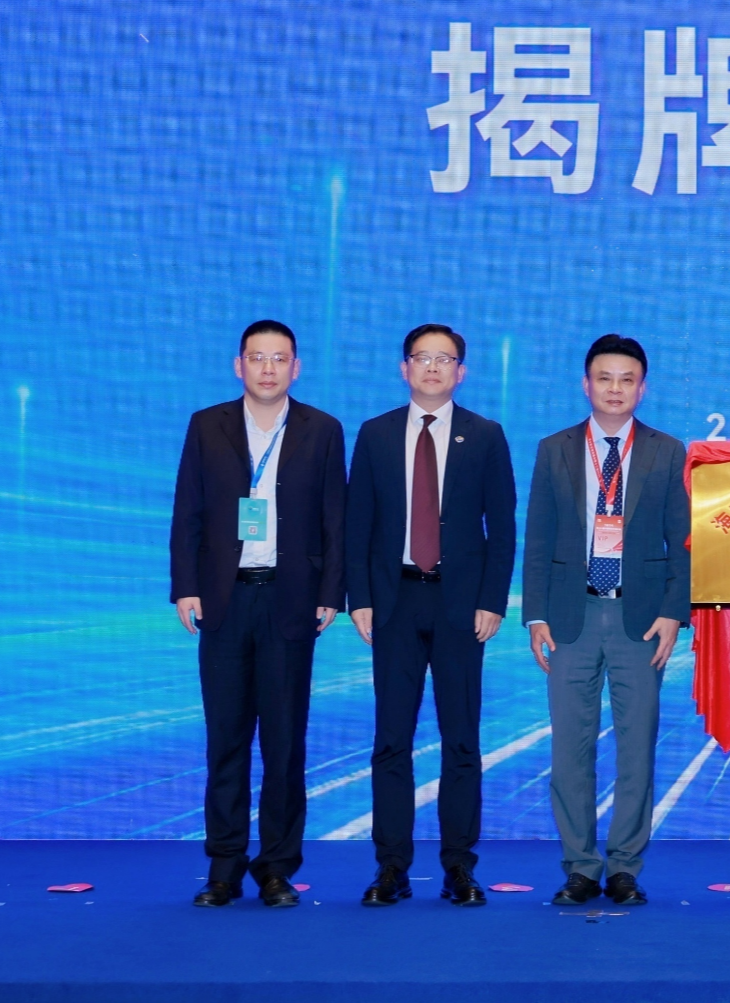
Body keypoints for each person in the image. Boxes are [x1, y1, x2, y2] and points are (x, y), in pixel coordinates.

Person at [169, 320, 346, 909]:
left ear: (297, 367)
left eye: (279, 358)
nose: (268, 368)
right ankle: (223, 866)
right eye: (257, 357)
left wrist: (332, 591)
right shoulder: (207, 425)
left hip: (291, 599)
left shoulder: (322, 429)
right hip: (224, 599)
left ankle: (276, 867)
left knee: (284, 742)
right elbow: (188, 512)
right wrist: (185, 587)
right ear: (238, 365)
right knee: (226, 739)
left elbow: (335, 518)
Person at [344, 324, 517, 908]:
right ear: (405, 368)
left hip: (460, 605)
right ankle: (390, 867)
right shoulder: (375, 433)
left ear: (461, 372)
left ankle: (459, 867)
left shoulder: (485, 435)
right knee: (391, 739)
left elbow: (502, 526)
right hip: (394, 600)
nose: (434, 368)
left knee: (460, 739)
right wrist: (360, 597)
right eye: (423, 358)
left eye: (446, 359)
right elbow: (358, 522)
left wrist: (493, 600)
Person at [523, 335, 691, 908]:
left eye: (627, 379)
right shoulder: (555, 449)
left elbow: (683, 539)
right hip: (570, 616)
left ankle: (623, 867)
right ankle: (579, 866)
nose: (615, 389)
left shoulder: (668, 451)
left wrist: (673, 613)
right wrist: (535, 614)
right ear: (585, 384)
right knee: (569, 749)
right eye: (604, 377)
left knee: (636, 747)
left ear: (642, 388)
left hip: (638, 619)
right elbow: (539, 536)